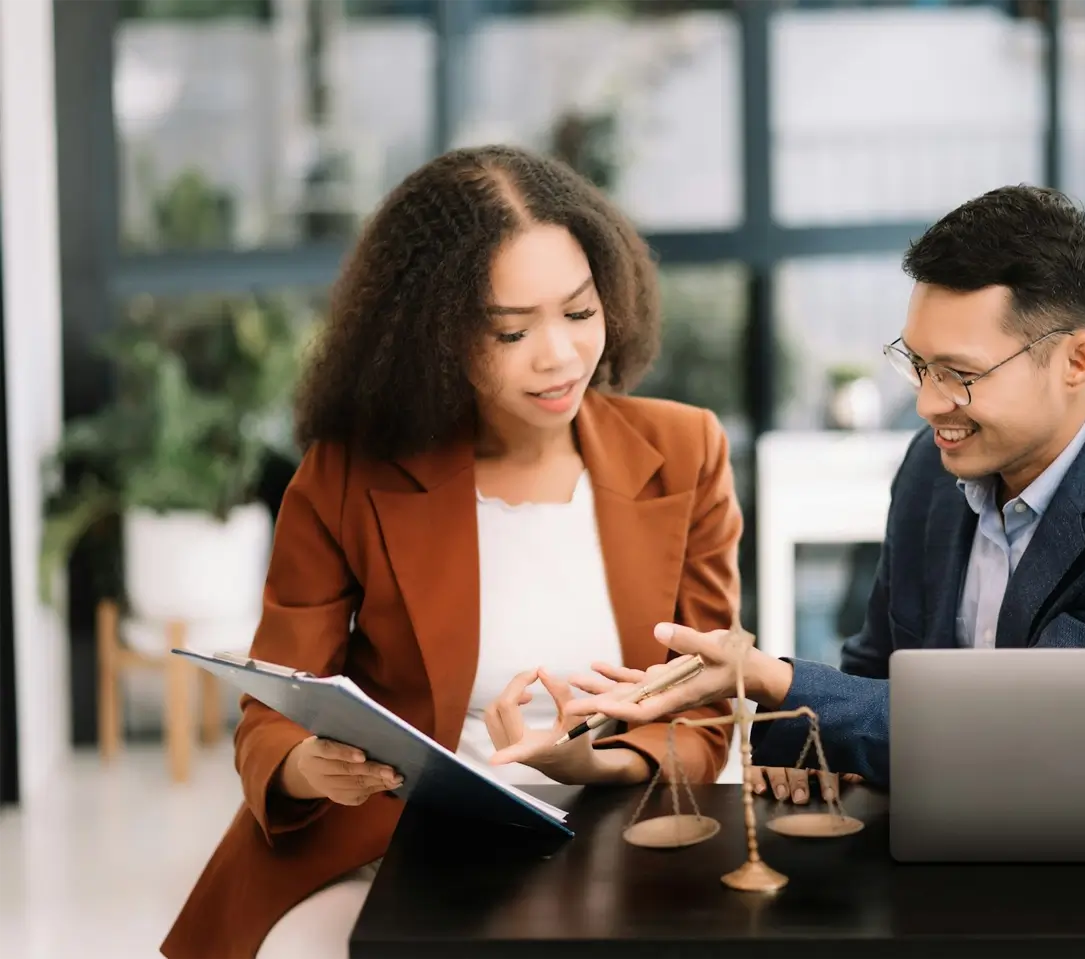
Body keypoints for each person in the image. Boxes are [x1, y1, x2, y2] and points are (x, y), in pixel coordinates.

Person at [160, 145, 740, 959]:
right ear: (430, 333)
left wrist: (595, 760)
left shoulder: (685, 450)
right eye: (510, 329)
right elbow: (271, 714)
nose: (559, 356)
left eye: (579, 312)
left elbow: (707, 710)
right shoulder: (350, 471)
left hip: (609, 840)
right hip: (391, 843)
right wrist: (307, 765)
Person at [561, 184, 1085, 797]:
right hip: (935, 843)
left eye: (958, 372)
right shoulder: (934, 470)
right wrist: (815, 750)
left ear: (1078, 360)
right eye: (916, 364)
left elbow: (1025, 737)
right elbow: (877, 665)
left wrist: (774, 681)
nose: (929, 403)